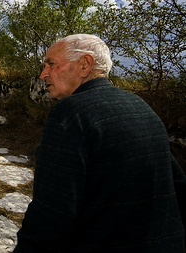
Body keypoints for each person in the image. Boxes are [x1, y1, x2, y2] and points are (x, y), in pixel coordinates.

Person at [14, 34, 185, 252]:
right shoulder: (140, 105)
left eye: (51, 64)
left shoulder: (70, 114)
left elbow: (51, 213)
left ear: (85, 64)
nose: (43, 73)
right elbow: (176, 183)